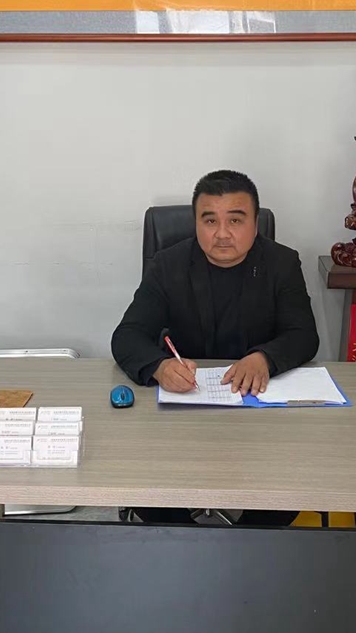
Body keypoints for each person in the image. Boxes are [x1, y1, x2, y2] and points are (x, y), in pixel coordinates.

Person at [111, 169, 319, 526]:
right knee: (149, 491)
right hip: (183, 414)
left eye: (235, 220)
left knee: (285, 495)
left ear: (255, 224)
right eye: (210, 221)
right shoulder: (168, 265)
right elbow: (127, 335)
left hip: (260, 415)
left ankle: (244, 548)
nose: (222, 234)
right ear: (196, 223)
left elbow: (304, 335)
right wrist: (160, 367)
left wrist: (265, 358)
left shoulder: (282, 263)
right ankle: (188, 547)